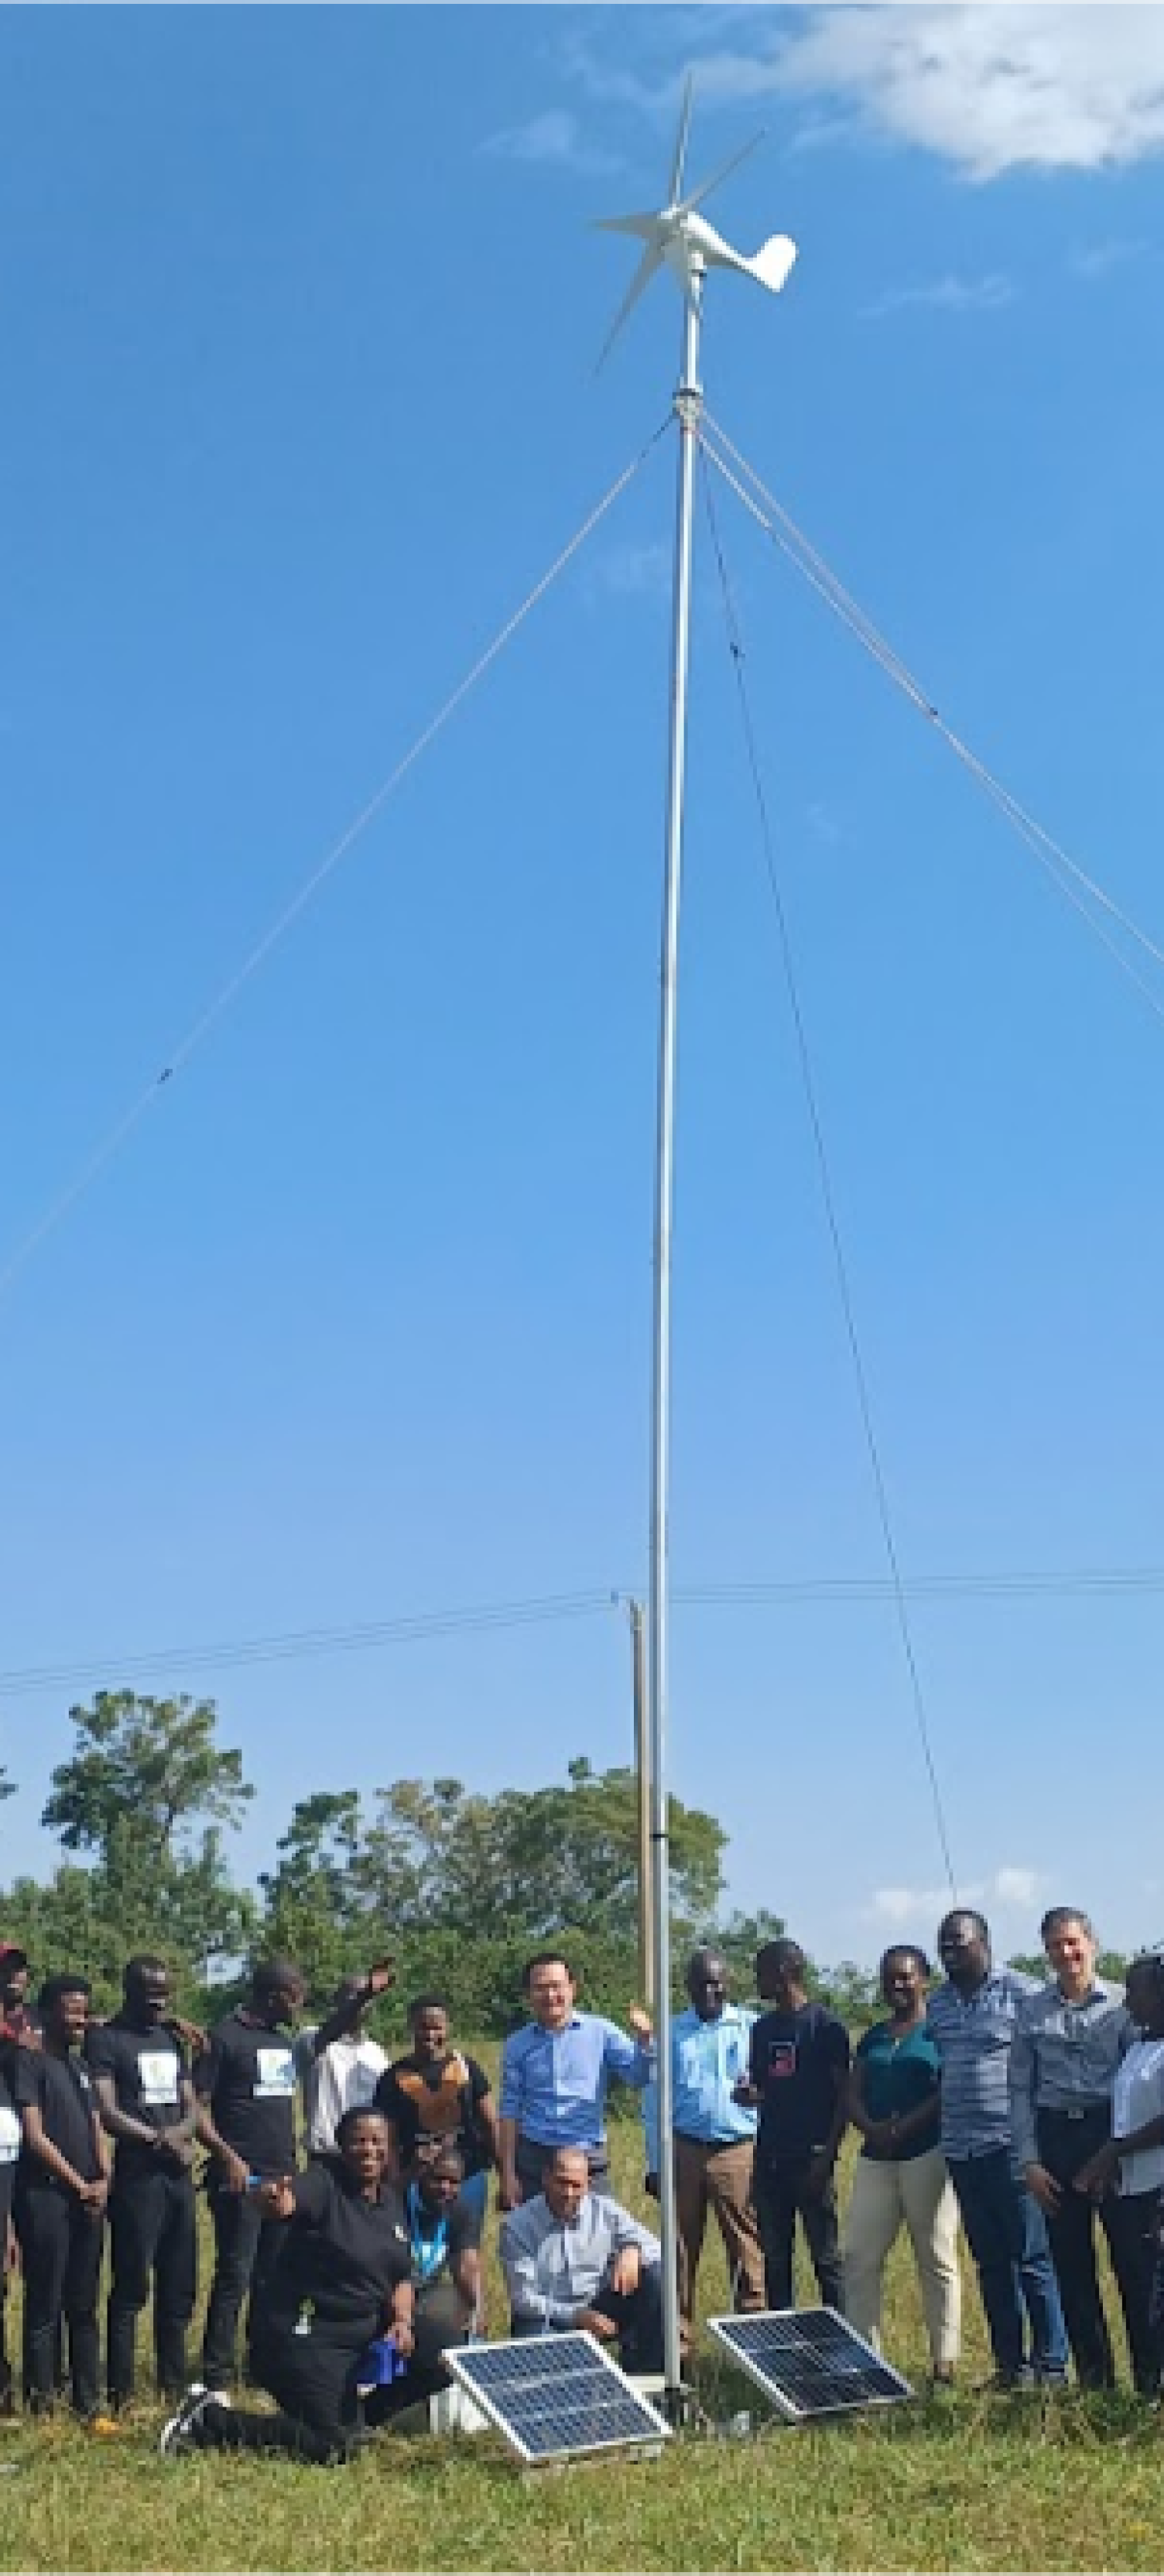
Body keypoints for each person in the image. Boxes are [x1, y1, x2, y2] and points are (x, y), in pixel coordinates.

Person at [160, 2106, 414, 2462]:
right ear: (342, 2146)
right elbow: (283, 2204)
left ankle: (350, 2416)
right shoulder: (324, 2183)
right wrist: (273, 2198)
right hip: (307, 2341)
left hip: (360, 2343)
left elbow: (401, 2275)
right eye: (359, 2141)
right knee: (330, 2447)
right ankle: (209, 2420)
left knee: (439, 2341)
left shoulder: (390, 2202)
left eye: (377, 2142)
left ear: (390, 2149)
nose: (369, 2150)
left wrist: (402, 2321)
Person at [926, 1909, 1066, 2389]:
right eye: (943, 1945)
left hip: (1011, 2146)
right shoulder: (939, 2004)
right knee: (990, 2263)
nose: (949, 1953)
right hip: (961, 2149)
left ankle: (1051, 2365)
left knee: (1031, 2258)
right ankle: (1011, 2367)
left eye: (958, 1944)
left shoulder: (1022, 1994)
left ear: (984, 1942)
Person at [1010, 1906, 1138, 2389]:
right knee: (1070, 2266)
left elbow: (1135, 2081)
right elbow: (1019, 2088)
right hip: (1055, 2138)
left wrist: (1117, 2149)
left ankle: (1148, 2376)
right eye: (1055, 1946)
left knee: (1130, 2260)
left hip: (1111, 2134)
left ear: (1092, 1943)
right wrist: (1030, 2160)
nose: (1066, 1954)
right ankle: (1095, 2379)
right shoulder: (1032, 2012)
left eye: (1072, 1942)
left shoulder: (1126, 2005)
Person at [843, 1946, 960, 2382]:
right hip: (876, 2157)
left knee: (936, 2256)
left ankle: (944, 2363)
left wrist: (906, 2126)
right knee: (858, 2256)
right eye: (889, 1977)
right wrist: (871, 2128)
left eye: (906, 1977)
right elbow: (852, 2092)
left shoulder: (939, 2033)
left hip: (927, 2154)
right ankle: (864, 2360)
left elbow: (946, 2089)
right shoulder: (874, 2036)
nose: (897, 1985)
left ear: (924, 1979)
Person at [87, 1955, 198, 2410]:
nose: (159, 2003)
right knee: (132, 2286)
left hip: (177, 2176)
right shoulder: (106, 2040)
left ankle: (173, 2388)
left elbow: (190, 2104)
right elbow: (108, 2112)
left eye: (165, 1994)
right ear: (129, 1990)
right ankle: (122, 2391)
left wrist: (182, 2133)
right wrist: (158, 2139)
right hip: (137, 2177)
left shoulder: (172, 2039)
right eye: (151, 1995)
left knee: (179, 2284)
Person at [643, 1946, 763, 2352]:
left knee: (746, 2246)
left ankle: (753, 2338)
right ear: (688, 1988)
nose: (711, 1992)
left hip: (738, 2150)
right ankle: (678, 2344)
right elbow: (653, 2104)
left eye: (717, 1984)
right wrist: (656, 2163)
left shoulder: (752, 2027)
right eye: (702, 1985)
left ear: (728, 1984)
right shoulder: (672, 2032)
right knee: (678, 2247)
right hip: (685, 2148)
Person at [194, 1955, 305, 2390]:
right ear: (275, 1995)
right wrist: (228, 2158)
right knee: (235, 2275)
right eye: (296, 1998)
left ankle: (261, 2365)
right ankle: (217, 2374)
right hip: (241, 2180)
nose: (299, 2007)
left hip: (282, 2179)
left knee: (272, 2276)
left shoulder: (281, 2042)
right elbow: (196, 2108)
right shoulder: (223, 2038)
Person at [12, 1973, 109, 2418]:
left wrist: (104, 2177)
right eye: (71, 2011)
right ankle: (41, 2400)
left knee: (83, 2303)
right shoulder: (28, 2063)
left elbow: (95, 2126)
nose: (79, 2020)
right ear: (47, 2012)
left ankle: (87, 2400)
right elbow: (35, 2137)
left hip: (90, 2198)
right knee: (45, 2301)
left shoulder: (81, 2066)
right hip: (47, 2195)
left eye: (84, 2011)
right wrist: (78, 2183)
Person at [735, 1939, 848, 2311]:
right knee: (776, 2259)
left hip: (811, 2160)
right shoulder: (763, 2030)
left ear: (783, 1974)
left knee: (826, 2259)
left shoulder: (826, 2027)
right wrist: (750, 2094)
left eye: (762, 1973)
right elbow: (765, 2088)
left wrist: (827, 2157)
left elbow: (842, 2099)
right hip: (771, 2161)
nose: (757, 1982)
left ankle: (841, 2344)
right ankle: (783, 2347)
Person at [1073, 1951, 1164, 2396]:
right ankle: (1146, 2384)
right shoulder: (1141, 2044)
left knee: (1155, 2292)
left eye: (1137, 1990)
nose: (1128, 2001)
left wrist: (1112, 2153)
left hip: (1158, 2187)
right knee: (1133, 2283)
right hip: (1130, 2187)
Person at [498, 1952, 653, 2208]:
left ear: (572, 1988)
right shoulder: (517, 2044)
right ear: (528, 1995)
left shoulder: (602, 2032)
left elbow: (637, 2078)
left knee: (601, 2238)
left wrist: (645, 2041)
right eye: (540, 1988)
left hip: (587, 2155)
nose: (550, 1996)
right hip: (536, 2158)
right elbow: (509, 2111)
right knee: (536, 2240)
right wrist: (507, 2174)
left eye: (556, 1987)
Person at [500, 2144, 664, 2371]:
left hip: (602, 2306)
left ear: (588, 2184)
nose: (568, 2193)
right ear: (546, 2178)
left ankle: (649, 2376)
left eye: (576, 2185)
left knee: (657, 2276)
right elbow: (523, 2299)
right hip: (549, 2317)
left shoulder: (606, 2211)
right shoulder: (517, 2226)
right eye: (562, 2182)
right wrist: (577, 2316)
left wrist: (633, 2250)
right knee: (535, 2357)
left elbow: (658, 2249)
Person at [376, 1995, 497, 2239]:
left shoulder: (465, 2068)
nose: (430, 2034)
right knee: (418, 2245)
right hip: (417, 2178)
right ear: (411, 2027)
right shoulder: (394, 2077)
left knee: (465, 2244)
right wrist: (396, 2182)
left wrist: (501, 2170)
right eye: (423, 2027)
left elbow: (490, 2121)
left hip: (467, 2175)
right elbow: (388, 2138)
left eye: (436, 2027)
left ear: (448, 2027)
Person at [293, 1961, 395, 2160]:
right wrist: (366, 1994)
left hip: (367, 2158)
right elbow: (327, 2034)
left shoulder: (377, 2053)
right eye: (354, 1996)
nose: (361, 2002)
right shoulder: (312, 2039)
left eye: (366, 1998)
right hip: (326, 2155)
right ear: (336, 2001)